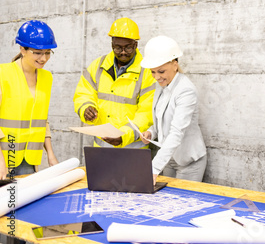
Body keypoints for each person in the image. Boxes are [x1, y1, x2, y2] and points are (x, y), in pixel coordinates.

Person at [73, 18, 155, 148]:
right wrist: (86, 107)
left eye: (127, 47)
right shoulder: (98, 66)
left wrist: (124, 135)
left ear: (135, 45)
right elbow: (83, 93)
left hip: (132, 149)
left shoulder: (147, 72)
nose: (122, 52)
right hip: (102, 147)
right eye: (118, 48)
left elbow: (147, 112)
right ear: (112, 44)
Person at [139, 36, 207, 183]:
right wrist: (151, 132)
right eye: (153, 72)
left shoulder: (186, 90)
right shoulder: (162, 85)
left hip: (189, 162)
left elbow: (176, 131)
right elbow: (162, 119)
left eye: (161, 71)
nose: (156, 77)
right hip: (169, 158)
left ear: (175, 65)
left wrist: (154, 168)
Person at [0, 20, 59, 179]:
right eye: (38, 53)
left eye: (47, 52)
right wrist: (1, 160)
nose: (44, 58)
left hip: (29, 158)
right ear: (22, 49)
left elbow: (42, 119)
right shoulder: (3, 74)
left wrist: (51, 155)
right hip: (5, 155)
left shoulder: (46, 77)